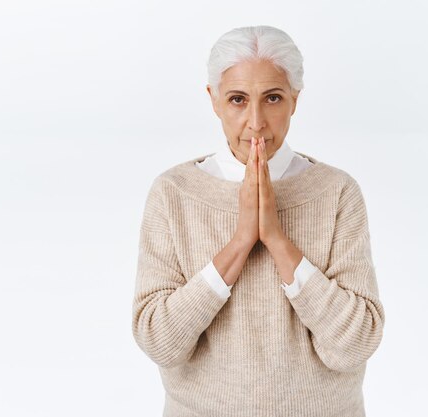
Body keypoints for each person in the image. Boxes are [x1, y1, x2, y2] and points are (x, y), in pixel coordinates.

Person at [131, 25, 385, 417]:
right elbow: (159, 341)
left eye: (272, 98)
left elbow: (354, 345)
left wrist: (277, 239)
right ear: (213, 100)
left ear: (294, 101)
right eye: (237, 99)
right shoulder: (173, 193)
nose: (255, 121)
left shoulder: (337, 191)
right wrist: (240, 242)